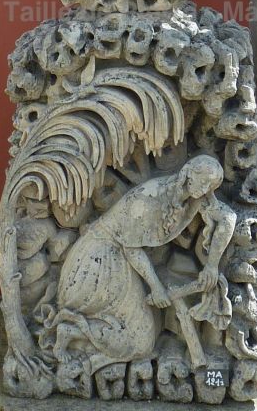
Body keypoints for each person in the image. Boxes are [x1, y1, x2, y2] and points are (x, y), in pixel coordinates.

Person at [40, 154, 236, 375]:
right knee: (140, 339)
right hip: (102, 259)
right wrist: (157, 288)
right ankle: (71, 334)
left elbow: (228, 218)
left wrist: (212, 265)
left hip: (123, 256)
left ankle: (76, 335)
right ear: (189, 173)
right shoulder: (151, 197)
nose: (207, 189)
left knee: (143, 336)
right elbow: (131, 248)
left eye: (212, 185)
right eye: (204, 181)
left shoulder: (195, 196)